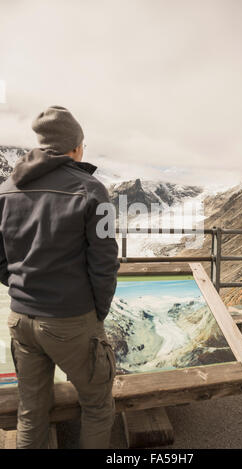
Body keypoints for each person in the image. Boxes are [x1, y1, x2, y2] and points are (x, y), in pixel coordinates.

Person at [0, 105, 120, 449]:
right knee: (97, 406)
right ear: (76, 147)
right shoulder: (93, 190)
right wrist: (97, 311)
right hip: (70, 319)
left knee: (31, 411)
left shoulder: (6, 190)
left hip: (21, 320)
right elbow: (105, 260)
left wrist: (20, 288)